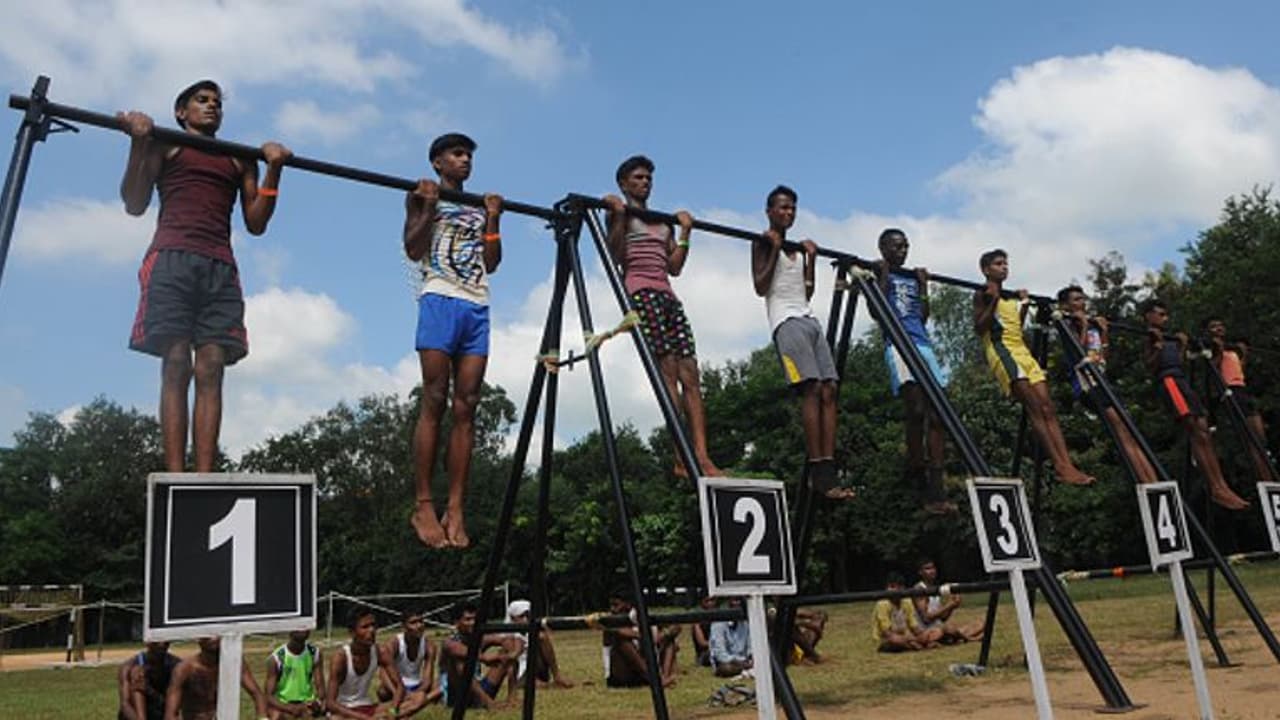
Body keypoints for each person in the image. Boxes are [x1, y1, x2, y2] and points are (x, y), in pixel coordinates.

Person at [118, 79, 290, 474]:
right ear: (182, 112)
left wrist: (274, 172)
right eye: (202, 100)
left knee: (211, 364)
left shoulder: (237, 158)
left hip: (219, 265)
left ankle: (204, 476)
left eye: (217, 103)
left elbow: (257, 223)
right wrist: (138, 143)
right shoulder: (165, 142)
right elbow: (134, 203)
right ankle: (177, 475)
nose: (212, 106)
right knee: (176, 359)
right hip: (171, 258)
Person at [403, 132, 504, 549]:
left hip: (476, 304)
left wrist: (495, 218)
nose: (465, 161)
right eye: (457, 154)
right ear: (437, 162)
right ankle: (423, 503)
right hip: (440, 297)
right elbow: (412, 249)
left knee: (468, 406)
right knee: (434, 397)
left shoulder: (480, 206)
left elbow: (492, 263)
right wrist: (427, 207)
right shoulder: (420, 196)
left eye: (468, 155)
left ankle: (456, 507)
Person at [604, 155, 722, 478]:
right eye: (638, 178)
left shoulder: (662, 222)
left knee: (692, 374)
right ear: (624, 183)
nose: (645, 183)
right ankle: (681, 456)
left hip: (668, 295)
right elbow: (614, 254)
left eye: (648, 178)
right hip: (641, 292)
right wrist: (615, 216)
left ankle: (702, 454)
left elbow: (675, 267)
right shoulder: (622, 214)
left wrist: (685, 232)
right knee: (667, 371)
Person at [751, 186, 849, 499]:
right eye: (782, 208)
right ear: (769, 211)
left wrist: (810, 260)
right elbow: (760, 286)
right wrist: (774, 247)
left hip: (808, 318)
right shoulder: (763, 242)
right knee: (812, 388)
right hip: (785, 321)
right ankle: (819, 470)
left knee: (831, 388)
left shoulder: (797, 246)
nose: (788, 213)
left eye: (792, 209)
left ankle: (830, 465)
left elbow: (807, 292)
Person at [973, 249, 1094, 486]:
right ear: (986, 269)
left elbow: (1014, 325)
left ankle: (1067, 464)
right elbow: (980, 328)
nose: (1004, 267)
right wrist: (994, 299)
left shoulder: (1009, 296)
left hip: (1022, 351)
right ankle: (1059, 466)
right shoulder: (983, 294)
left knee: (1048, 407)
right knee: (1034, 407)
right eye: (998, 264)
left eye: (1006, 263)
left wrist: (1024, 306)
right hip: (1002, 350)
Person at [1142, 300, 1249, 509]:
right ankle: (1215, 488)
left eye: (1166, 314)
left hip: (1180, 380)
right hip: (1169, 381)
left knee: (1204, 431)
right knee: (1196, 432)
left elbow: (1178, 362)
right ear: (1148, 316)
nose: (1165, 318)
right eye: (1160, 314)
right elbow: (1150, 365)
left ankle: (1222, 485)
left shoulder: (1171, 337)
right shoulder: (1149, 337)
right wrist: (1157, 347)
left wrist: (1181, 346)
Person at [877, 228, 955, 512]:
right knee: (916, 409)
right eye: (897, 246)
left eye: (906, 246)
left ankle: (936, 483)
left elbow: (923, 315)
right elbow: (877, 312)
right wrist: (883, 275)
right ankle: (916, 467)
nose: (903, 251)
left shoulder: (910, 276)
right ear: (884, 247)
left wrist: (923, 286)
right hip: (898, 344)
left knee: (939, 413)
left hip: (923, 343)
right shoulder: (879, 274)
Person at [1057, 286, 1158, 485]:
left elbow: (1103, 356)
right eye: (1076, 300)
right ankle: (1146, 481)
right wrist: (1084, 326)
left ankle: (1152, 479)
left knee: (1128, 430)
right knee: (1121, 429)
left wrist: (1104, 333)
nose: (1082, 303)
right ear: (1066, 305)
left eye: (1083, 299)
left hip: (1102, 379)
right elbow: (1078, 351)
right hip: (1087, 383)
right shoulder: (1066, 324)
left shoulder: (1092, 325)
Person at [1205, 317, 1275, 483]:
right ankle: (1265, 480)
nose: (1219, 328)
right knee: (1251, 438)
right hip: (1230, 391)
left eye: (1220, 324)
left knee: (1260, 437)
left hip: (1242, 388)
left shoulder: (1232, 348)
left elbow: (1238, 370)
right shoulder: (1211, 348)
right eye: (1214, 326)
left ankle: (1268, 473)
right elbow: (1212, 370)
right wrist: (1219, 351)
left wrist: (1243, 354)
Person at [164, 636, 269, 720]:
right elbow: (171, 713)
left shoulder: (234, 662)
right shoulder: (185, 669)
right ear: (198, 639)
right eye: (208, 635)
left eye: (216, 634)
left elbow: (256, 693)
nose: (213, 638)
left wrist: (263, 718)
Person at [439, 603, 520, 709]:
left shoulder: (479, 638)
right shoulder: (449, 643)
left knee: (508, 656)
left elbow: (510, 639)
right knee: (461, 663)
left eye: (475, 619)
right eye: (467, 620)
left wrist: (513, 654)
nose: (473, 623)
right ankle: (489, 704)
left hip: (478, 690)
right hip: (457, 696)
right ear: (456, 622)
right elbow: (470, 654)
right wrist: (488, 658)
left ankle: (512, 698)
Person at [326, 609, 402, 718]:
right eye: (365, 627)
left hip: (367, 706)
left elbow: (400, 686)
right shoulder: (340, 657)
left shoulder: (381, 652)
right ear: (352, 632)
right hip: (345, 710)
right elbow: (330, 703)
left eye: (373, 625)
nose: (371, 630)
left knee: (417, 698)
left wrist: (393, 710)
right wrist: (364, 718)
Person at [601, 591, 680, 689]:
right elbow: (619, 632)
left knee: (670, 642)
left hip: (640, 674)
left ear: (628, 605)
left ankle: (664, 676)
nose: (612, 609)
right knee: (623, 643)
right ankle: (656, 680)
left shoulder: (640, 615)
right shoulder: (610, 621)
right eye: (611, 605)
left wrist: (663, 635)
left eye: (616, 605)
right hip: (621, 674)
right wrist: (647, 637)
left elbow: (676, 626)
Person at [376, 611, 439, 716]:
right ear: (404, 627)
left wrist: (417, 693)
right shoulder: (394, 644)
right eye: (413, 622)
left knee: (440, 686)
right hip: (397, 686)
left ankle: (406, 706)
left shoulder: (430, 646)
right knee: (382, 691)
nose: (419, 626)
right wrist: (399, 694)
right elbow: (383, 673)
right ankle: (415, 702)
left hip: (416, 685)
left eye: (421, 621)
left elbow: (428, 679)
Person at [504, 599, 574, 689]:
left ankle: (557, 676)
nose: (525, 619)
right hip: (522, 672)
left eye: (527, 615)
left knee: (542, 638)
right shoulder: (507, 634)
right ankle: (552, 685)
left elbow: (548, 636)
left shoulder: (532, 628)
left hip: (537, 667)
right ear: (512, 618)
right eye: (521, 616)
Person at [912, 559, 985, 644]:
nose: (932, 571)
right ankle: (969, 639)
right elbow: (926, 618)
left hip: (940, 627)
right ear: (920, 572)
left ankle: (958, 637)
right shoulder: (919, 589)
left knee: (980, 624)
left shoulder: (935, 588)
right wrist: (949, 605)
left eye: (933, 568)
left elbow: (943, 618)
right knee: (948, 629)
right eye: (927, 569)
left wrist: (953, 606)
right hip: (926, 631)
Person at [870, 574, 940, 653]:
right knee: (894, 640)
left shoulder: (907, 601)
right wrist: (911, 639)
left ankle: (915, 644)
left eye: (896, 587)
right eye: (891, 587)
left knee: (935, 632)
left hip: (906, 636)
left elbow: (914, 626)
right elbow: (887, 632)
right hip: (887, 638)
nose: (892, 590)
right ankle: (915, 646)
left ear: (902, 588)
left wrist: (923, 635)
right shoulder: (882, 604)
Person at [264, 629, 325, 719]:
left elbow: (321, 688)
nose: (302, 629)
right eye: (298, 627)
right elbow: (269, 696)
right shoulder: (277, 658)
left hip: (307, 704)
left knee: (326, 709)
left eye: (305, 626)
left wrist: (317, 702)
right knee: (275, 715)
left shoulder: (315, 653)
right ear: (290, 630)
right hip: (284, 705)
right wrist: (290, 708)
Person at [118, 641, 181, 720]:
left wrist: (149, 691)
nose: (162, 644)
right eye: (157, 641)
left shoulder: (176, 666)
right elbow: (125, 705)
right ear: (147, 642)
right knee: (137, 675)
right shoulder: (130, 667)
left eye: (165, 641)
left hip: (162, 712)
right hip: (135, 715)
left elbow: (176, 706)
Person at [708, 597, 752, 677]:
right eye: (735, 600)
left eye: (739, 601)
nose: (738, 603)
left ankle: (746, 669)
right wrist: (739, 661)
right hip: (727, 662)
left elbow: (750, 647)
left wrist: (750, 658)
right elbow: (720, 654)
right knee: (726, 668)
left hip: (744, 661)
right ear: (729, 602)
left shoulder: (745, 623)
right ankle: (745, 670)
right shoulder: (718, 624)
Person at [690, 595, 718, 667]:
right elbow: (702, 643)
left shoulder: (719, 616)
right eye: (707, 601)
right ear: (702, 602)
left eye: (712, 601)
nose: (710, 604)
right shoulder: (698, 620)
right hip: (705, 654)